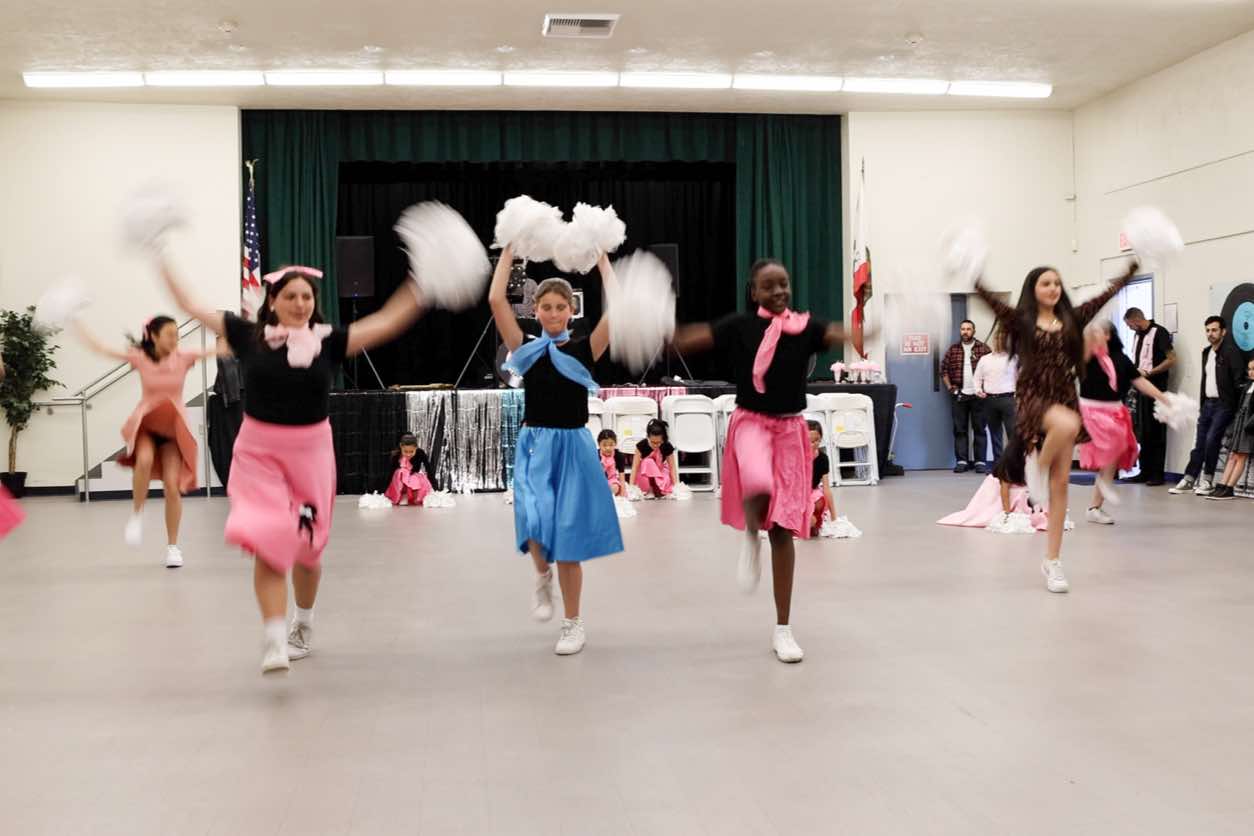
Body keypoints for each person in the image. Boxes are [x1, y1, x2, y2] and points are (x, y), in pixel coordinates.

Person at [157, 259, 430, 674]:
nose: (300, 303)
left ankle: (303, 623)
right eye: (290, 296)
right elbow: (190, 304)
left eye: (306, 296)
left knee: (306, 551)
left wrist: (424, 282)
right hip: (258, 454)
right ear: (273, 300)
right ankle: (273, 639)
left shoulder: (329, 341)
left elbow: (387, 322)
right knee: (267, 540)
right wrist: (157, 252)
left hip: (310, 455)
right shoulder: (248, 335)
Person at [673, 258, 857, 662]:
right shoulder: (740, 326)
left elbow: (849, 333)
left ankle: (783, 629)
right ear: (754, 291)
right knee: (758, 482)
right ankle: (750, 536)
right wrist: (650, 325)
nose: (779, 292)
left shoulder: (805, 327)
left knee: (784, 529)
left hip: (790, 429)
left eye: (784, 284)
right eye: (769, 286)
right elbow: (689, 339)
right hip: (752, 424)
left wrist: (876, 317)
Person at [490, 244, 623, 657]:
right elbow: (496, 300)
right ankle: (541, 576)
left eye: (559, 307)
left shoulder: (585, 349)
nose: (551, 313)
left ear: (571, 310)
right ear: (536, 310)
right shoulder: (525, 349)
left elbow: (618, 307)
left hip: (574, 446)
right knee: (533, 522)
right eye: (545, 306)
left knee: (567, 538)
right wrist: (509, 250)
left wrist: (602, 259)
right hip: (536, 445)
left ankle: (573, 623)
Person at [975, 261, 1139, 593]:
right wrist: (971, 271)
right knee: (1068, 423)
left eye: (1057, 283)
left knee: (1061, 485)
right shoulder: (1021, 320)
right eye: (1046, 283)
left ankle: (1052, 561)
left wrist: (1132, 267)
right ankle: (1037, 465)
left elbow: (1107, 294)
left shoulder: (1071, 319)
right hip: (1033, 398)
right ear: (1033, 289)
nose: (1053, 288)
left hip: (1063, 395)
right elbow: (989, 299)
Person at [71, 315, 210, 568]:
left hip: (173, 431)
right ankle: (137, 514)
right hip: (147, 426)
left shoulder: (184, 357)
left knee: (172, 487)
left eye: (177, 335)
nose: (175, 339)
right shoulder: (141, 358)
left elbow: (217, 350)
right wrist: (75, 321)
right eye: (170, 334)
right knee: (143, 460)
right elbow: (101, 348)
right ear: (154, 336)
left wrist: (240, 331)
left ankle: (173, 547)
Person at [1077, 321, 1169, 524]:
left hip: (1115, 411)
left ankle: (1094, 507)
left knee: (1117, 451)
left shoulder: (1121, 359)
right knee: (1111, 447)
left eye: (1097, 332)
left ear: (1108, 335)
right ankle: (1101, 487)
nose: (1092, 335)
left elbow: (1139, 381)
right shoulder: (1088, 357)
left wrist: (1162, 397)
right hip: (1092, 411)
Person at [1171, 316, 1246, 496]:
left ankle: (1207, 480)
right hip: (1207, 404)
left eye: (1214, 330)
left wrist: (1236, 407)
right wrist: (1202, 403)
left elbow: (1239, 381)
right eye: (1207, 330)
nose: (1210, 334)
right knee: (1200, 441)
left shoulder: (1231, 352)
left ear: (1223, 332)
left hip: (1224, 405)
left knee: (1212, 439)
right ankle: (1189, 478)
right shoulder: (1206, 352)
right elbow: (1206, 380)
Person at [1122, 307, 1176, 485]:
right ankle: (1144, 471)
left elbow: (1171, 359)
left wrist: (1150, 372)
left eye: (1130, 325)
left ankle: (1157, 474)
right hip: (1141, 388)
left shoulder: (1159, 332)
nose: (1130, 328)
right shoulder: (1137, 336)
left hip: (1157, 387)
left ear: (1136, 320)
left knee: (1156, 431)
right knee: (1143, 430)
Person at [941, 319, 991, 473]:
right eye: (963, 329)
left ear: (973, 331)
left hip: (978, 395)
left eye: (968, 329)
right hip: (959, 395)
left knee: (979, 429)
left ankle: (980, 462)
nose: (965, 331)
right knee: (959, 430)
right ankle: (961, 461)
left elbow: (991, 370)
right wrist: (951, 388)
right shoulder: (953, 349)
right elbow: (943, 370)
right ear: (960, 331)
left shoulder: (983, 349)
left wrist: (986, 390)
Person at [1207, 357, 1254, 501]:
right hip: (1240, 422)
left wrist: (1249, 424)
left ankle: (1229, 488)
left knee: (1241, 456)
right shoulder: (1248, 386)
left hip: (1250, 426)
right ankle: (1222, 485)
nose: (1251, 372)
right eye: (1249, 369)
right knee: (1232, 455)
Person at [973, 326, 1017, 467]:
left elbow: (1021, 379)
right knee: (995, 434)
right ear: (993, 341)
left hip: (1009, 400)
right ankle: (998, 464)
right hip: (990, 400)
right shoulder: (984, 360)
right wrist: (978, 390)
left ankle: (1014, 465)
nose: (999, 341)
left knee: (1012, 433)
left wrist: (1019, 395)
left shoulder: (1014, 359)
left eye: (1002, 338)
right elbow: (977, 378)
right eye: (997, 338)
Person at [632, 418, 679, 499]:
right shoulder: (641, 445)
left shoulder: (667, 446)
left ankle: (658, 489)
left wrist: (676, 487)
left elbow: (672, 467)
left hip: (659, 473)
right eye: (653, 442)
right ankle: (649, 489)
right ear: (648, 437)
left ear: (663, 439)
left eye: (658, 442)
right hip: (645, 476)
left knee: (666, 481)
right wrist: (631, 487)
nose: (655, 445)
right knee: (648, 461)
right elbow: (635, 467)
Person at [383, 432, 434, 506]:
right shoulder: (396, 455)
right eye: (405, 451)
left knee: (415, 478)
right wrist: (383, 491)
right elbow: (390, 473)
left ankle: (415, 498)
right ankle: (403, 495)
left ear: (416, 448)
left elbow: (429, 470)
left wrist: (436, 489)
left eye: (411, 452)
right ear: (401, 446)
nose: (408, 454)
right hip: (399, 481)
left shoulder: (420, 453)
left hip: (414, 477)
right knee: (401, 472)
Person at [807, 420, 836, 537]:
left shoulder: (823, 458)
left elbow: (826, 488)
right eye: (809, 441)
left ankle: (814, 521)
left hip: (812, 492)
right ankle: (807, 522)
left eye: (817, 440)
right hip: (797, 495)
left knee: (819, 502)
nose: (813, 444)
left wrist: (834, 516)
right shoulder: (796, 457)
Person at [597, 429, 628, 497]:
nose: (608, 448)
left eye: (611, 445)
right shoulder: (595, 455)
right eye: (604, 445)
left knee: (614, 488)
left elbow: (621, 475)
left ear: (615, 444)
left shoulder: (619, 456)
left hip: (611, 480)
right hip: (597, 480)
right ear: (599, 444)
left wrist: (623, 492)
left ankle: (606, 496)